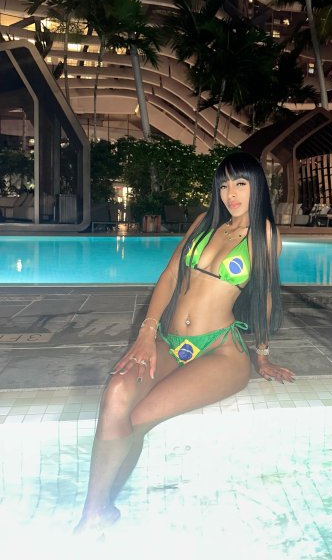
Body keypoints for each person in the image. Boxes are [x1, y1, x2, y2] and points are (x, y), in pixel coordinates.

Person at [75, 151, 295, 535]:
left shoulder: (265, 235)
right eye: (224, 185)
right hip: (170, 340)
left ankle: (99, 510)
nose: (231, 194)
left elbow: (264, 297)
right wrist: (146, 333)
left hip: (220, 350)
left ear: (257, 186)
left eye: (240, 184)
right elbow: (171, 276)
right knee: (117, 393)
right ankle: (95, 511)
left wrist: (262, 356)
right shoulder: (205, 222)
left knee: (138, 417)